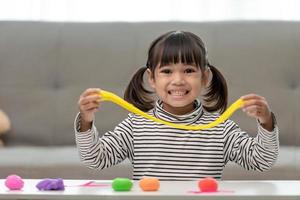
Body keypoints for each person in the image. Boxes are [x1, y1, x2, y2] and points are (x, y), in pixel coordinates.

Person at [74, 31, 279, 180]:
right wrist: (86, 120)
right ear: (151, 78)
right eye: (167, 71)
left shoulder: (221, 127)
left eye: (189, 70)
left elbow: (260, 161)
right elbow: (95, 159)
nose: (178, 80)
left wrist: (266, 121)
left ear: (205, 77)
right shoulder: (136, 125)